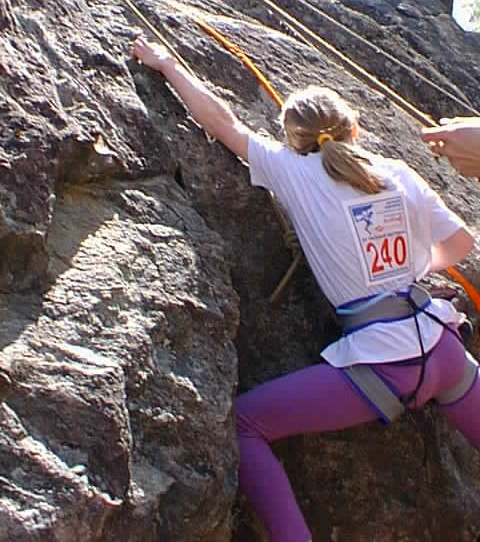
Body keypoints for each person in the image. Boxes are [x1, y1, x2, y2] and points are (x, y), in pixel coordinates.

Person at [131, 36, 479, 542]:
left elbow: (221, 122)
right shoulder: (395, 172)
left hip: (381, 366)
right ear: (354, 129)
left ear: (293, 139)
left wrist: (165, 63)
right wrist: (412, 268)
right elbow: (461, 243)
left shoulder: (290, 169)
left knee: (244, 425)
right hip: (443, 350)